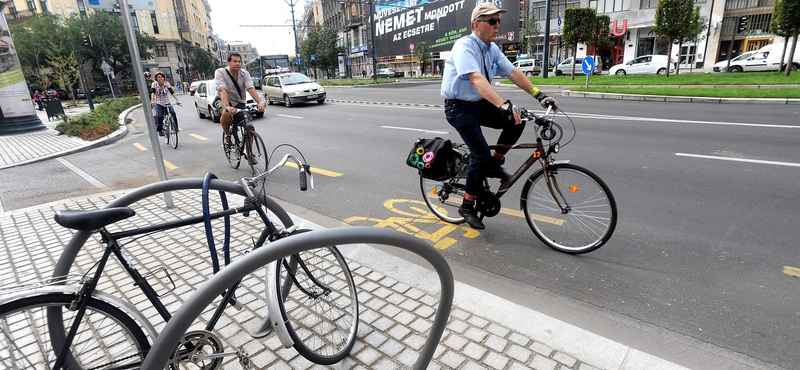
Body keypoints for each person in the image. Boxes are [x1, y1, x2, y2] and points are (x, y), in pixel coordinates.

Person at [440, 2, 558, 230]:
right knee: (480, 155)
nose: (497, 26)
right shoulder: (465, 45)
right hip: (458, 108)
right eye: (492, 21)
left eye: (498, 21)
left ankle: (495, 164)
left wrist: (539, 95)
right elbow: (476, 79)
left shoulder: (491, 48)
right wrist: (503, 104)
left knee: (517, 120)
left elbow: (513, 72)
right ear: (477, 25)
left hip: (478, 104)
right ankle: (467, 204)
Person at [214, 52, 265, 150]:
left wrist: (260, 102)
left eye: (239, 61)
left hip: (238, 101)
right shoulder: (220, 72)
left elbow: (250, 88)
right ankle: (227, 135)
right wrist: (227, 106)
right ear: (228, 62)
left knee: (249, 127)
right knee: (226, 112)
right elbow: (222, 90)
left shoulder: (244, 73)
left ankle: (249, 152)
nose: (238, 63)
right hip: (222, 99)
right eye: (234, 61)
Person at [149, 71, 182, 136]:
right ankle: (160, 130)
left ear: (164, 78)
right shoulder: (154, 84)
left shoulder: (167, 84)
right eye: (158, 77)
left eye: (161, 77)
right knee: (160, 116)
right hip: (158, 102)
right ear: (156, 78)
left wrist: (177, 100)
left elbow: (172, 92)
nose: (160, 78)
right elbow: (153, 92)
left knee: (173, 112)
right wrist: (152, 100)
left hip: (166, 102)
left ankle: (175, 128)